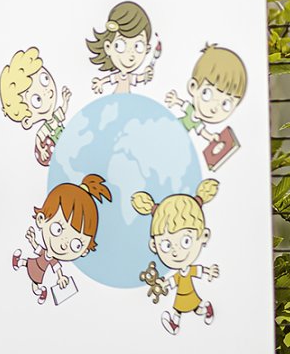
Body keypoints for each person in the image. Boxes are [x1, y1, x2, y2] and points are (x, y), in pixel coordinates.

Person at [131, 179, 220, 334]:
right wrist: (164, 285)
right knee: (189, 309)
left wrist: (209, 271)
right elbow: (173, 281)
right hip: (184, 295)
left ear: (204, 236)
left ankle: (189, 317)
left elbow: (197, 271)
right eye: (166, 245)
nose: (175, 252)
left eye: (186, 241)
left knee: (184, 309)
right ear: (154, 245)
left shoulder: (188, 270)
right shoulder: (181, 273)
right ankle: (201, 311)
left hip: (187, 295)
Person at [13, 174, 110, 304]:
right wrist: (32, 240)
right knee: (27, 263)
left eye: (76, 245)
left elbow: (56, 268)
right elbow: (38, 249)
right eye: (57, 229)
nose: (63, 245)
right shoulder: (47, 253)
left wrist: (61, 277)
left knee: (34, 282)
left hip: (40, 271)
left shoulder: (53, 259)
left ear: (85, 250)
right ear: (41, 220)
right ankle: (18, 263)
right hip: (36, 263)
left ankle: (40, 292)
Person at [165, 44, 247, 170]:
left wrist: (211, 137)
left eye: (225, 104)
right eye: (207, 94)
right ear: (193, 87)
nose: (214, 108)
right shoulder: (191, 110)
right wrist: (175, 100)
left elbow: (202, 131)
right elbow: (184, 105)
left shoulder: (197, 123)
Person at [0, 47, 72, 165]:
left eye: (45, 79)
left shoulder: (55, 117)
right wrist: (42, 150)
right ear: (27, 121)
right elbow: (38, 138)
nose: (47, 92)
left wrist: (65, 101)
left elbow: (62, 111)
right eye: (37, 99)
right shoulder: (45, 129)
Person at [86, 1, 159, 95]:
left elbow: (139, 78)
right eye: (120, 46)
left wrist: (147, 75)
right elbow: (110, 79)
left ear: (147, 49)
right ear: (108, 47)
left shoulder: (129, 77)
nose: (130, 55)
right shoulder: (119, 76)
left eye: (138, 46)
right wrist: (100, 82)